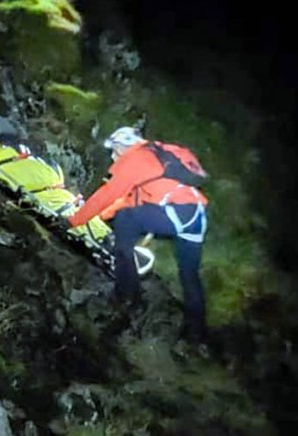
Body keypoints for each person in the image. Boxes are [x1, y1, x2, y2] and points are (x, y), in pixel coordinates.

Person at [69, 126, 209, 343]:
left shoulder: (136, 161)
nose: (113, 156)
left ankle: (127, 294)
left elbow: (108, 194)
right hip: (196, 216)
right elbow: (129, 200)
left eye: (114, 150)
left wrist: (75, 220)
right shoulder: (155, 159)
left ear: (122, 146)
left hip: (176, 213)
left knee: (127, 220)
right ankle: (196, 333)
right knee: (189, 274)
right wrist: (98, 217)